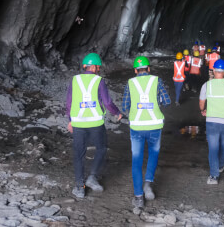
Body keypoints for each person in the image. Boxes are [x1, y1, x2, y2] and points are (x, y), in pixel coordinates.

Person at [66, 52, 122, 199]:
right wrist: (117, 113)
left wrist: (70, 120)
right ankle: (92, 177)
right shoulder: (99, 81)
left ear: (85, 66)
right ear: (96, 67)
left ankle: (80, 187)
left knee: (79, 154)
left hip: (78, 122)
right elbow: (107, 102)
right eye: (98, 67)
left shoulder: (75, 80)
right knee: (102, 148)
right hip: (96, 123)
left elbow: (69, 102)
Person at [122, 56, 171, 210]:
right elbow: (167, 100)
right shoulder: (157, 80)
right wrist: (156, 101)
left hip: (136, 126)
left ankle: (138, 197)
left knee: (136, 161)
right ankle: (148, 184)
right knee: (153, 154)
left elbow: (125, 105)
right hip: (154, 125)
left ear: (135, 70)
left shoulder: (130, 83)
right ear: (149, 69)